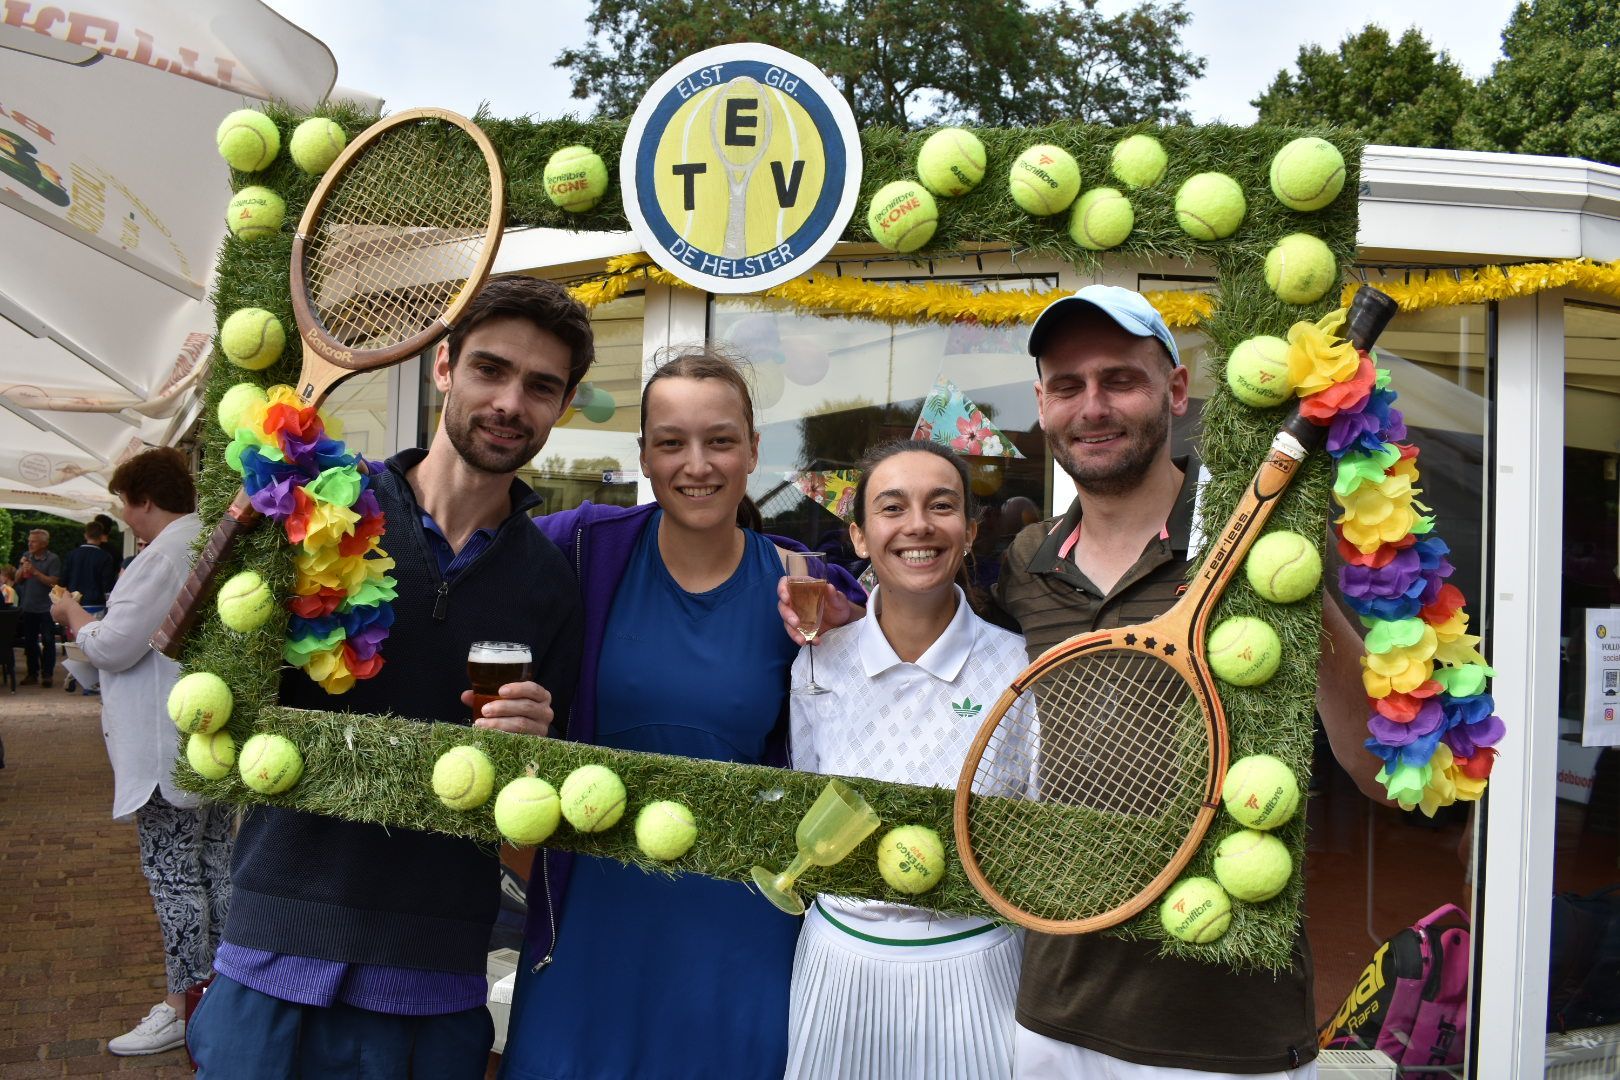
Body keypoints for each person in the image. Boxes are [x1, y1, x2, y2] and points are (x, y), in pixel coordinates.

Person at [786, 285, 1384, 1076]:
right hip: (1052, 1016)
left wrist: (1303, 608)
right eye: (1067, 386)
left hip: (1229, 1025)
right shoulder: (1029, 564)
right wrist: (841, 601)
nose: (1092, 407)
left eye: (1120, 380)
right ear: (1043, 405)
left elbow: (1380, 773)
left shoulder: (1269, 554)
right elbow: (925, 615)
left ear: (1175, 390)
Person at [187, 275, 592, 1079]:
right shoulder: (321, 508)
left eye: (540, 386)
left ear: (563, 405)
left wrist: (533, 748)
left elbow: (534, 809)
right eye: (490, 369)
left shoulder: (551, 582)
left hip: (433, 974)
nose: (510, 402)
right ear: (444, 366)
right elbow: (223, 692)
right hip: (273, 948)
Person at [499, 346, 864, 1080]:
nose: (697, 465)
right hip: (589, 920)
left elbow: (883, 690)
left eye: (720, 440)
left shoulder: (804, 585)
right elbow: (468, 556)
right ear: (644, 455)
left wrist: (848, 621)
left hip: (740, 932)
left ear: (753, 449)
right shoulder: (584, 548)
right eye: (671, 443)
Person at [784, 439, 1027, 1080]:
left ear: (970, 531)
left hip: (981, 969)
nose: (918, 525)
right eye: (892, 508)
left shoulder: (1022, 667)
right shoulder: (817, 662)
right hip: (837, 968)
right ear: (860, 537)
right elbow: (809, 798)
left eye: (941, 505)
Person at [51, 448, 231, 1056]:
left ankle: (182, 1006)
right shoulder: (203, 540)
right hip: (198, 738)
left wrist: (72, 613)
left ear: (144, 500)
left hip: (164, 743)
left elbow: (114, 645)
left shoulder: (167, 552)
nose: (124, 517)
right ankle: (219, 998)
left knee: (174, 876)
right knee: (212, 868)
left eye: (125, 504)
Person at [15, 528, 61, 686]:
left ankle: (47, 675)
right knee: (30, 642)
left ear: (44, 544)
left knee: (48, 641)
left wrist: (35, 572)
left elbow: (54, 582)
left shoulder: (53, 559)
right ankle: (32, 674)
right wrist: (22, 568)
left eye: (33, 541)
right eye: (29, 541)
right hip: (28, 607)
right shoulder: (26, 556)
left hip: (47, 608)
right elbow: (17, 580)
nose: (29, 544)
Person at [62, 517, 119, 611]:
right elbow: (107, 584)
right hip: (96, 603)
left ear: (85, 535)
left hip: (74, 601)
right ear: (101, 536)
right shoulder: (105, 557)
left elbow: (64, 579)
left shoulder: (72, 554)